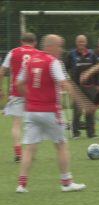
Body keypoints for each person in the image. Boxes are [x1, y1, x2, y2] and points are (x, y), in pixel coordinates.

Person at [15, 34, 87, 193]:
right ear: (50, 46)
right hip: (49, 111)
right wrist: (82, 102)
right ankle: (66, 183)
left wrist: (29, 96)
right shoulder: (53, 62)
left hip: (32, 111)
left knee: (29, 148)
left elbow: (19, 83)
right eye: (59, 46)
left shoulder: (30, 61)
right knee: (61, 145)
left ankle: (22, 184)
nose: (61, 50)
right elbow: (63, 83)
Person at [0, 32, 39, 162]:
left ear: (21, 41)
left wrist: (0, 88)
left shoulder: (13, 52)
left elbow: (2, 71)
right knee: (33, 123)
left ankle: (18, 152)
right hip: (33, 93)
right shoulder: (38, 54)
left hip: (17, 92)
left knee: (17, 123)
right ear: (34, 42)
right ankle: (31, 153)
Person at [65, 35, 98, 138]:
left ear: (86, 42)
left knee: (90, 110)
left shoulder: (92, 55)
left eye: (83, 42)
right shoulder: (71, 55)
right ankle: (76, 133)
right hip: (76, 87)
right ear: (76, 43)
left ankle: (91, 133)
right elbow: (65, 68)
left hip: (90, 86)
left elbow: (97, 69)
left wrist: (97, 84)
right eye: (79, 42)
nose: (81, 44)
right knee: (77, 110)